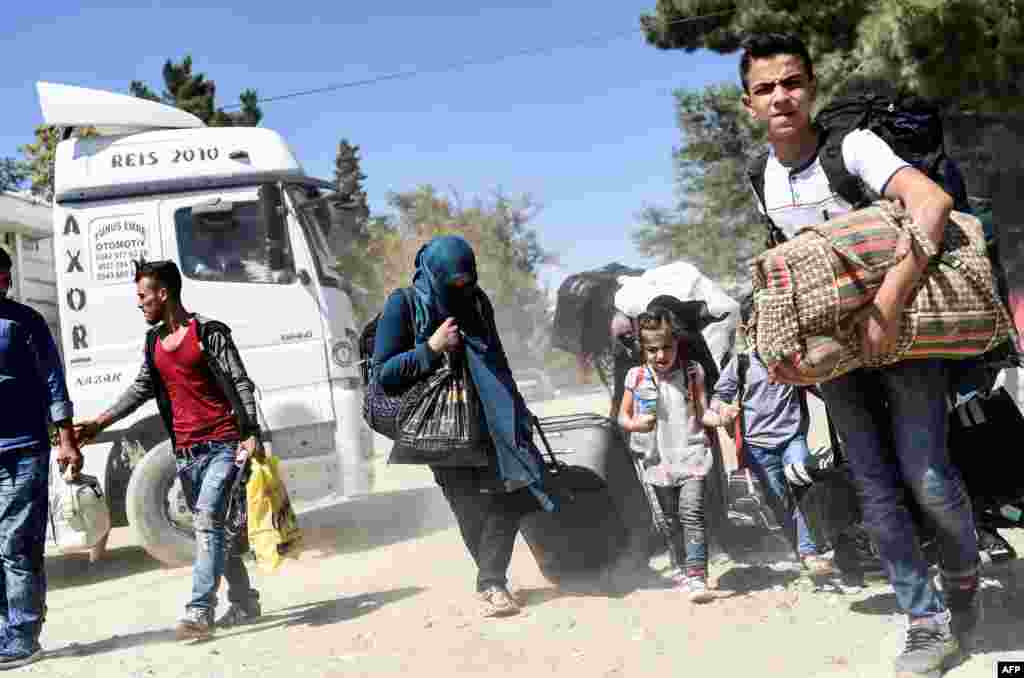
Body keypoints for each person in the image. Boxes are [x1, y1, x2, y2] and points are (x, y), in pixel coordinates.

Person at [739, 33, 979, 676]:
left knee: (927, 479)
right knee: (874, 489)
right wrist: (782, 357)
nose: (780, 97)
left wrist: (888, 305)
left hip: (901, 335)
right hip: (839, 357)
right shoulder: (759, 177)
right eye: (765, 88)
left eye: (791, 82)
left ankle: (962, 575)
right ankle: (926, 623)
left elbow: (932, 204)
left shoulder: (853, 149)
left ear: (810, 88)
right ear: (749, 104)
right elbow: (787, 272)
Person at [75, 260, 263, 640]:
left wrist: (251, 430)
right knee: (213, 529)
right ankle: (244, 601)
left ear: (164, 294)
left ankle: (199, 612)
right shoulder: (154, 343)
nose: (140, 304)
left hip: (224, 442)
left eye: (143, 296)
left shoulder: (209, 333)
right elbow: (142, 387)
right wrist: (100, 422)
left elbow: (241, 381)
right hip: (187, 452)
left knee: (209, 519)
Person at [372, 235, 554, 618]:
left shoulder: (476, 301)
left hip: (490, 417)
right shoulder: (403, 304)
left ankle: (490, 581)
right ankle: (492, 582)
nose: (461, 289)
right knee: (471, 509)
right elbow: (385, 374)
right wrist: (432, 347)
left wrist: (518, 409)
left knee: (515, 491)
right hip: (442, 427)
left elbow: (498, 360)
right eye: (452, 282)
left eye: (467, 280)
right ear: (434, 273)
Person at [706, 294, 835, 578]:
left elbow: (818, 387)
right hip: (757, 447)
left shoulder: (791, 359)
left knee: (800, 477)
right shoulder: (740, 364)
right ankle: (802, 548)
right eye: (759, 326)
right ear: (747, 331)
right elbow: (719, 396)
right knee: (778, 501)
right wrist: (723, 410)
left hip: (792, 438)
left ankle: (810, 550)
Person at [0, 247, 81, 669]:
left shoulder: (24, 322)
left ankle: (24, 632)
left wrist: (66, 438)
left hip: (25, 449)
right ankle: (4, 632)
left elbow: (53, 381)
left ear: (6, 279)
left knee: (17, 543)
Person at [617, 304, 717, 603]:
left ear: (678, 344)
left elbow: (703, 411)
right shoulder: (635, 377)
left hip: (691, 454)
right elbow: (622, 416)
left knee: (691, 513)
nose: (660, 356)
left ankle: (698, 576)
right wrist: (636, 423)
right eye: (652, 350)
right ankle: (682, 565)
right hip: (658, 460)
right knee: (671, 519)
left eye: (667, 348)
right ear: (642, 349)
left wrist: (720, 416)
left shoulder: (692, 371)